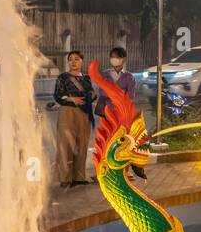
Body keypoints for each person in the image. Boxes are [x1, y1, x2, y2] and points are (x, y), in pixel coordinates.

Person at [95, 47, 146, 180]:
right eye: (112, 57)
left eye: (117, 57)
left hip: (123, 114)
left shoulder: (129, 77)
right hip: (107, 114)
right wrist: (119, 94)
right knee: (107, 140)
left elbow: (130, 95)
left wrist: (114, 94)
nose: (115, 59)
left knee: (123, 141)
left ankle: (124, 171)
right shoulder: (105, 74)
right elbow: (102, 92)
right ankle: (105, 170)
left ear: (123, 59)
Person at [53, 51, 95, 189]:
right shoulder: (63, 77)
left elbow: (91, 93)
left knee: (82, 144)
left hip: (84, 113)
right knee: (65, 144)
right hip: (67, 112)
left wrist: (91, 96)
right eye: (70, 59)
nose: (73, 62)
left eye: (76, 59)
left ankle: (79, 177)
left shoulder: (86, 78)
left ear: (82, 61)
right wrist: (72, 99)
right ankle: (65, 178)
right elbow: (58, 95)